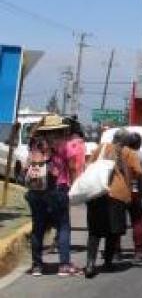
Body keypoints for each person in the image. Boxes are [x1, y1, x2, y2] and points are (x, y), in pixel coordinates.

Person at [24, 114, 80, 277]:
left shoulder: (36, 144)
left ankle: (37, 266)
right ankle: (63, 265)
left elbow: (29, 163)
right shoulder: (64, 145)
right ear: (60, 129)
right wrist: (73, 187)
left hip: (36, 190)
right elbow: (72, 168)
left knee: (38, 228)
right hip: (57, 189)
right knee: (63, 226)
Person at [85, 129, 142, 278]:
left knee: (94, 231)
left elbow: (89, 164)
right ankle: (108, 262)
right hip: (117, 194)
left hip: (97, 192)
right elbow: (140, 172)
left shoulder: (102, 147)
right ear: (125, 141)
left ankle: (90, 264)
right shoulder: (129, 152)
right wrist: (140, 188)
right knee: (113, 230)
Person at [124, 132, 142, 261]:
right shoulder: (133, 154)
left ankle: (115, 252)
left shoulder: (119, 152)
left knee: (119, 222)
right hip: (133, 192)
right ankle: (138, 251)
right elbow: (140, 172)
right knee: (137, 221)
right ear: (137, 144)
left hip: (119, 192)